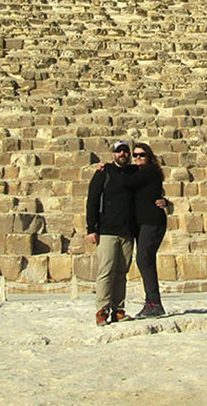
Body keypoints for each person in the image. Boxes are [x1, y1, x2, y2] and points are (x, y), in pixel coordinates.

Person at [94, 142, 168, 318]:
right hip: (134, 225)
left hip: (151, 222)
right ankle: (145, 303)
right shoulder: (139, 171)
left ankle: (153, 303)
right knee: (135, 262)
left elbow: (126, 181)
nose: (137, 158)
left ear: (149, 156)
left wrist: (108, 167)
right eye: (135, 155)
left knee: (143, 260)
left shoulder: (148, 171)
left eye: (141, 155)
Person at [85, 139, 138, 326]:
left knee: (122, 272)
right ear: (113, 154)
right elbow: (92, 200)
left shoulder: (135, 173)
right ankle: (102, 310)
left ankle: (118, 310)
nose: (122, 154)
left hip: (128, 231)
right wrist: (91, 228)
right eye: (118, 151)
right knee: (106, 271)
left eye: (125, 151)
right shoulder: (103, 173)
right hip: (107, 230)